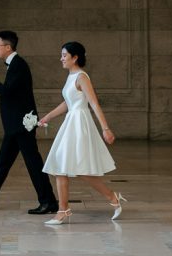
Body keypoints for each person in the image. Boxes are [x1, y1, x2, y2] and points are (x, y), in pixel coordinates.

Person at [0, 30, 58, 214]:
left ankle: (49, 202)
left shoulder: (19, 65)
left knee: (33, 163)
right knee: (3, 161)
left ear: (8, 47)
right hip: (14, 126)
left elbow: (7, 91)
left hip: (21, 125)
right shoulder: (14, 64)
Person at [37, 40, 126, 225]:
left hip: (80, 124)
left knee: (82, 170)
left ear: (75, 57)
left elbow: (94, 103)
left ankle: (113, 197)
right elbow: (67, 103)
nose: (61, 58)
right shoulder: (70, 76)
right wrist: (47, 117)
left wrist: (105, 128)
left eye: (64, 55)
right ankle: (63, 210)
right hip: (71, 122)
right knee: (60, 166)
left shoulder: (82, 77)